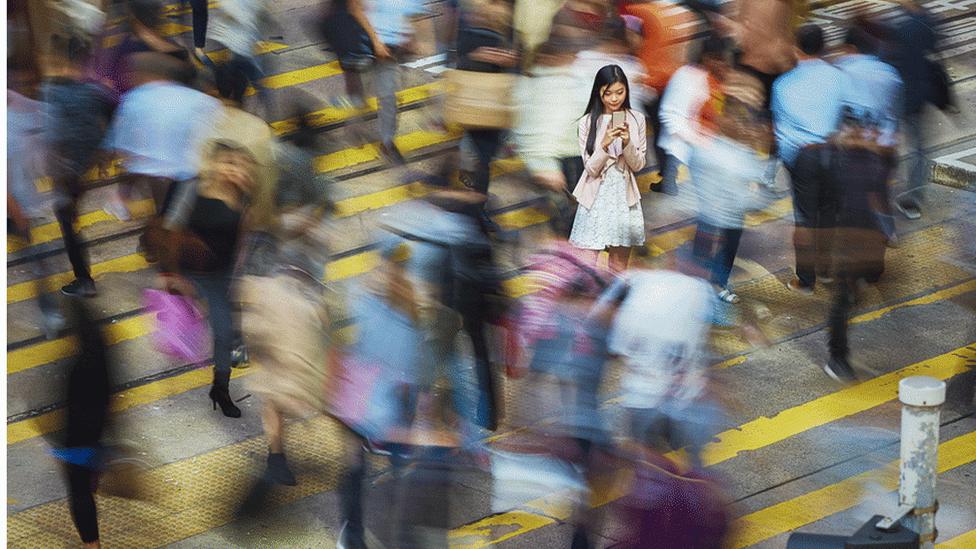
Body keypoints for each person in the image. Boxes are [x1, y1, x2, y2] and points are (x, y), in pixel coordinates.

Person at [822, 24, 902, 383]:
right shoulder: (858, 160)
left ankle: (839, 352)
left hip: (860, 234)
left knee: (850, 290)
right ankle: (838, 357)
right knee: (842, 297)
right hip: (850, 236)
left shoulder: (856, 160)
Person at [155, 140, 259, 418]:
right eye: (228, 163)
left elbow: (242, 238)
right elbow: (172, 232)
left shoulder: (243, 195)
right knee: (188, 330)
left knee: (224, 334)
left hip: (220, 277)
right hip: (190, 272)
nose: (234, 170)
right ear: (213, 164)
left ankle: (220, 389)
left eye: (239, 165)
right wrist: (172, 275)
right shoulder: (193, 189)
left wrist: (238, 277)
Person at [102, 52, 221, 224]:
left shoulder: (133, 100)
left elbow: (122, 145)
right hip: (192, 174)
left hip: (156, 175)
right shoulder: (197, 99)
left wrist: (107, 160)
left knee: (166, 217)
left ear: (144, 74)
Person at [687, 69, 773, 304]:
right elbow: (758, 195)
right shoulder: (738, 155)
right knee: (718, 249)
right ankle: (713, 286)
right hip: (725, 213)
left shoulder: (716, 146)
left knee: (710, 245)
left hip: (715, 210)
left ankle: (706, 281)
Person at [771, 24, 845, 293]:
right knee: (828, 214)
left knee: (804, 218)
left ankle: (806, 279)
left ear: (796, 47)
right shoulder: (838, 77)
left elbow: (779, 128)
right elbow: (846, 114)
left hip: (802, 157)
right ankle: (825, 271)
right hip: (832, 152)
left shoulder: (783, 84)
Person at [42, 35, 115, 297]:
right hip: (86, 164)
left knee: (65, 218)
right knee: (69, 211)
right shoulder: (97, 92)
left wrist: (56, 171)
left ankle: (84, 280)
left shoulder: (52, 92)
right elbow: (112, 119)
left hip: (66, 169)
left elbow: (52, 137)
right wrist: (105, 154)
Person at [570, 64, 647, 273]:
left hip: (624, 196)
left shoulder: (636, 119)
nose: (614, 99)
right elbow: (591, 169)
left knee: (618, 268)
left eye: (620, 92)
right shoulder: (587, 122)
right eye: (608, 93)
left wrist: (627, 143)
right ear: (599, 92)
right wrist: (604, 145)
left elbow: (639, 165)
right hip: (595, 197)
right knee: (587, 267)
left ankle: (613, 302)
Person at [340, 0, 426, 164]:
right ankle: (354, 126)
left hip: (390, 52)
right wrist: (376, 41)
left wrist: (410, 37)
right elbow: (355, 8)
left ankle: (387, 142)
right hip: (364, 48)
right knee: (360, 95)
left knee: (388, 98)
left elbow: (409, 13)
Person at [884, 0, 940, 220]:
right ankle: (914, 200)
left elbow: (887, 59)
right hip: (920, 94)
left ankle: (879, 198)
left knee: (886, 145)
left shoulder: (902, 27)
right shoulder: (928, 20)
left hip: (898, 96)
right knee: (918, 149)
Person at [657, 35, 730, 196]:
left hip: (703, 144)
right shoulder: (686, 76)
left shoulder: (713, 78)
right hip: (688, 144)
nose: (722, 64)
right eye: (718, 59)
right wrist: (694, 138)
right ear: (706, 57)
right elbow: (670, 113)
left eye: (724, 60)